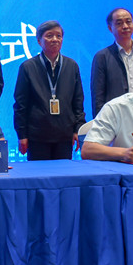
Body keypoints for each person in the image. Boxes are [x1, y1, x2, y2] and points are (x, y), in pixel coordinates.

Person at [13, 20, 85, 161]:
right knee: (39, 173)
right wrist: (22, 135)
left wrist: (78, 129)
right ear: (39, 41)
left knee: (64, 172)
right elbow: (21, 104)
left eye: (58, 36)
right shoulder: (28, 67)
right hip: (37, 136)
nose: (55, 39)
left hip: (64, 135)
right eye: (49, 36)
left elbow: (78, 101)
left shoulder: (72, 66)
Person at [90, 7, 133, 117]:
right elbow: (98, 96)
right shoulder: (102, 57)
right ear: (110, 28)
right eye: (119, 23)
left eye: (128, 22)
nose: (125, 26)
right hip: (116, 116)